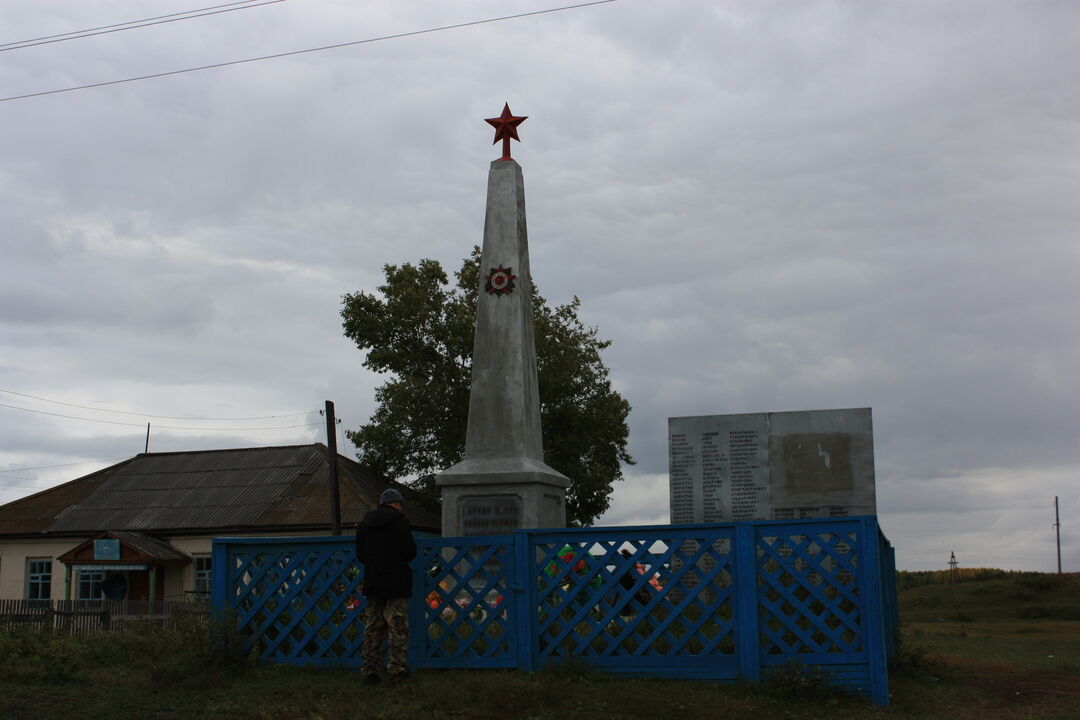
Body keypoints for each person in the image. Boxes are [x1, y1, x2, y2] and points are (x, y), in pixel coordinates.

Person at [355, 487, 417, 684]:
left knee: (373, 626)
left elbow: (361, 555)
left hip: (373, 581)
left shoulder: (365, 523)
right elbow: (409, 552)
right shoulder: (400, 522)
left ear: (380, 504)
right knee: (397, 626)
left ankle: (369, 670)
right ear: (397, 504)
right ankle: (397, 670)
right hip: (397, 581)